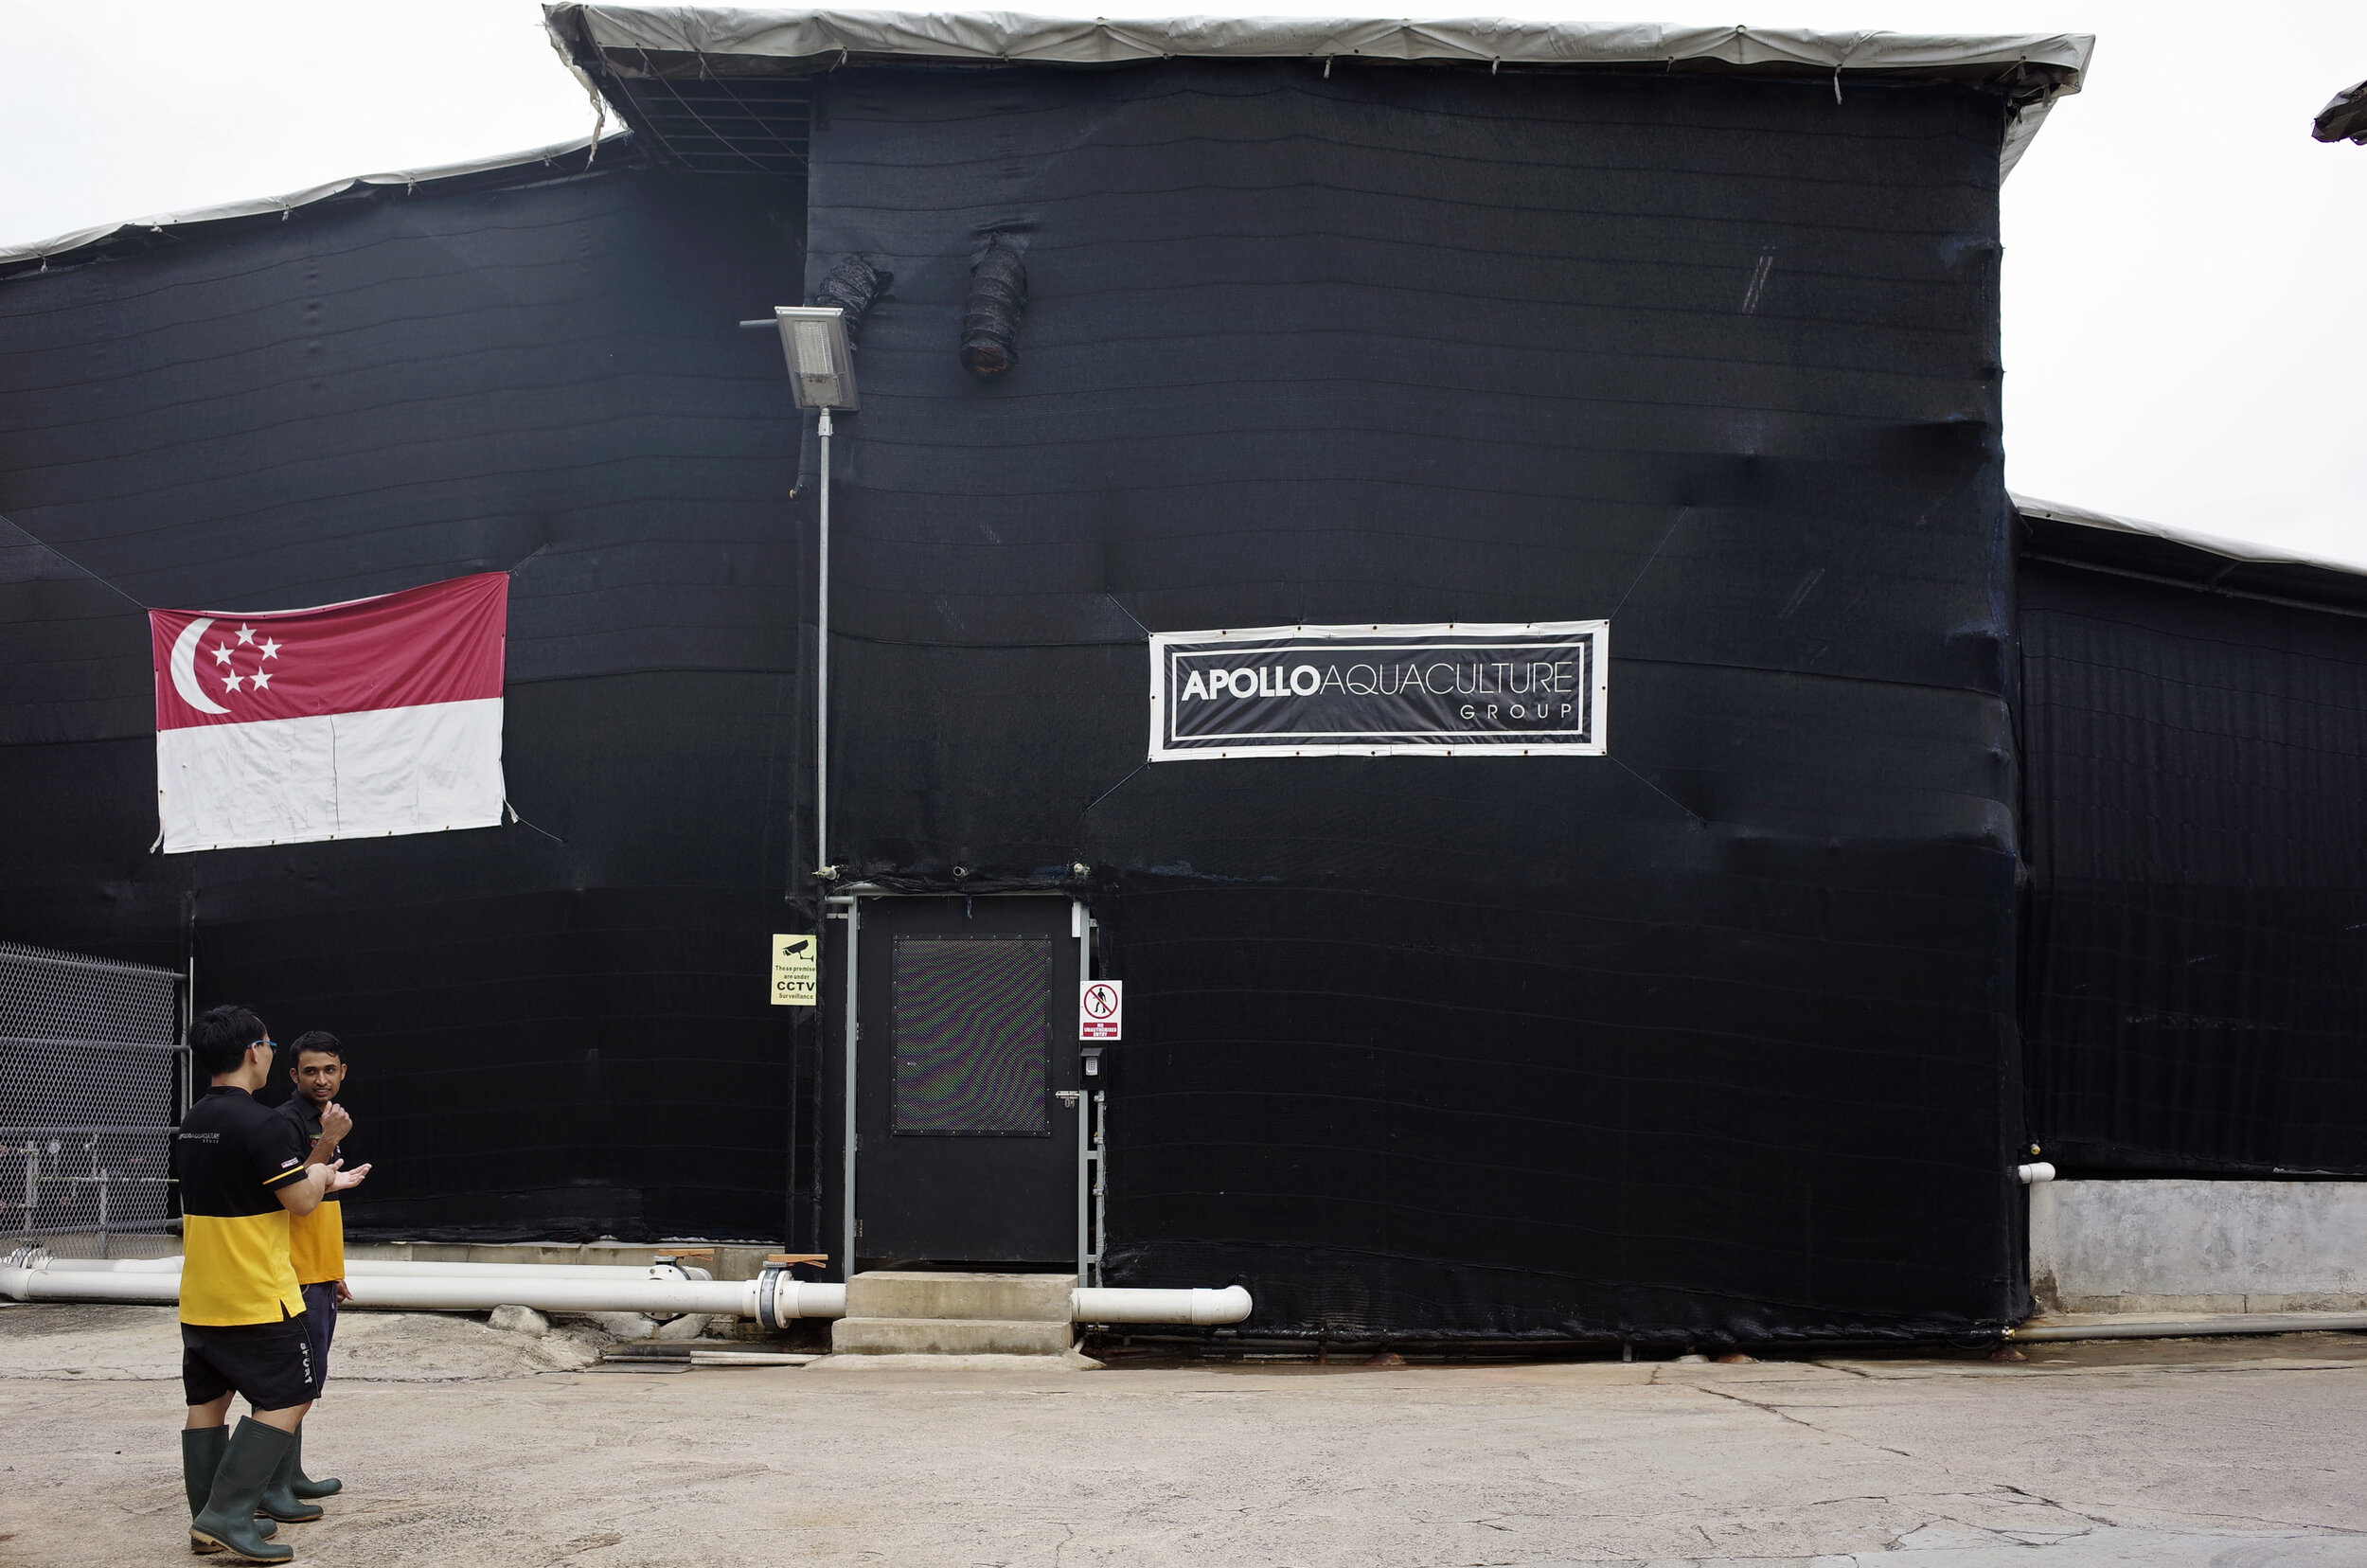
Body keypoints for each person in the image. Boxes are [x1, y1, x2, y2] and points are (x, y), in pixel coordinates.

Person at [174, 1005, 368, 1562]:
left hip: (202, 1292)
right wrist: (325, 1163)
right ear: (254, 1053)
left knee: (208, 1403)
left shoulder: (193, 1120)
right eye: (268, 1045)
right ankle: (229, 1513)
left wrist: (318, 1171)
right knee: (290, 1394)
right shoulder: (259, 1123)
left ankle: (206, 1523)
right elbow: (302, 1202)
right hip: (255, 1292)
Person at [275, 1031, 355, 1504]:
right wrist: (326, 1142)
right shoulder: (285, 1123)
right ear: (293, 1075)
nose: (321, 1079)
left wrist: (334, 1269)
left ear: (343, 1071)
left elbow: (323, 1203)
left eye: (329, 1069)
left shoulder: (330, 1119)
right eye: (310, 1071)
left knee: (306, 1378)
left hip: (317, 1271)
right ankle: (273, 1483)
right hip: (292, 1272)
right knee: (291, 1381)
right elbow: (297, 1195)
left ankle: (292, 1474)